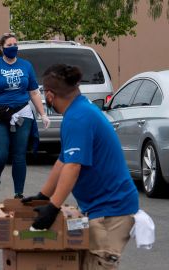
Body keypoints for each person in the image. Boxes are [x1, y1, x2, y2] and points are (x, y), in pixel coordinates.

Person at [21, 64, 139, 270]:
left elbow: (73, 167)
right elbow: (64, 160)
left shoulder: (78, 118)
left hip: (111, 212)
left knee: (98, 264)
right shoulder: (79, 110)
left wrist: (53, 207)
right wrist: (44, 195)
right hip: (101, 209)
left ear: (49, 95)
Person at [0, 33, 50, 201]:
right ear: (2, 48)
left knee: (19, 155)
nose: (13, 47)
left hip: (22, 113)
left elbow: (33, 92)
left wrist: (42, 114)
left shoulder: (26, 66)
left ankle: (19, 194)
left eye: (15, 44)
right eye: (9, 45)